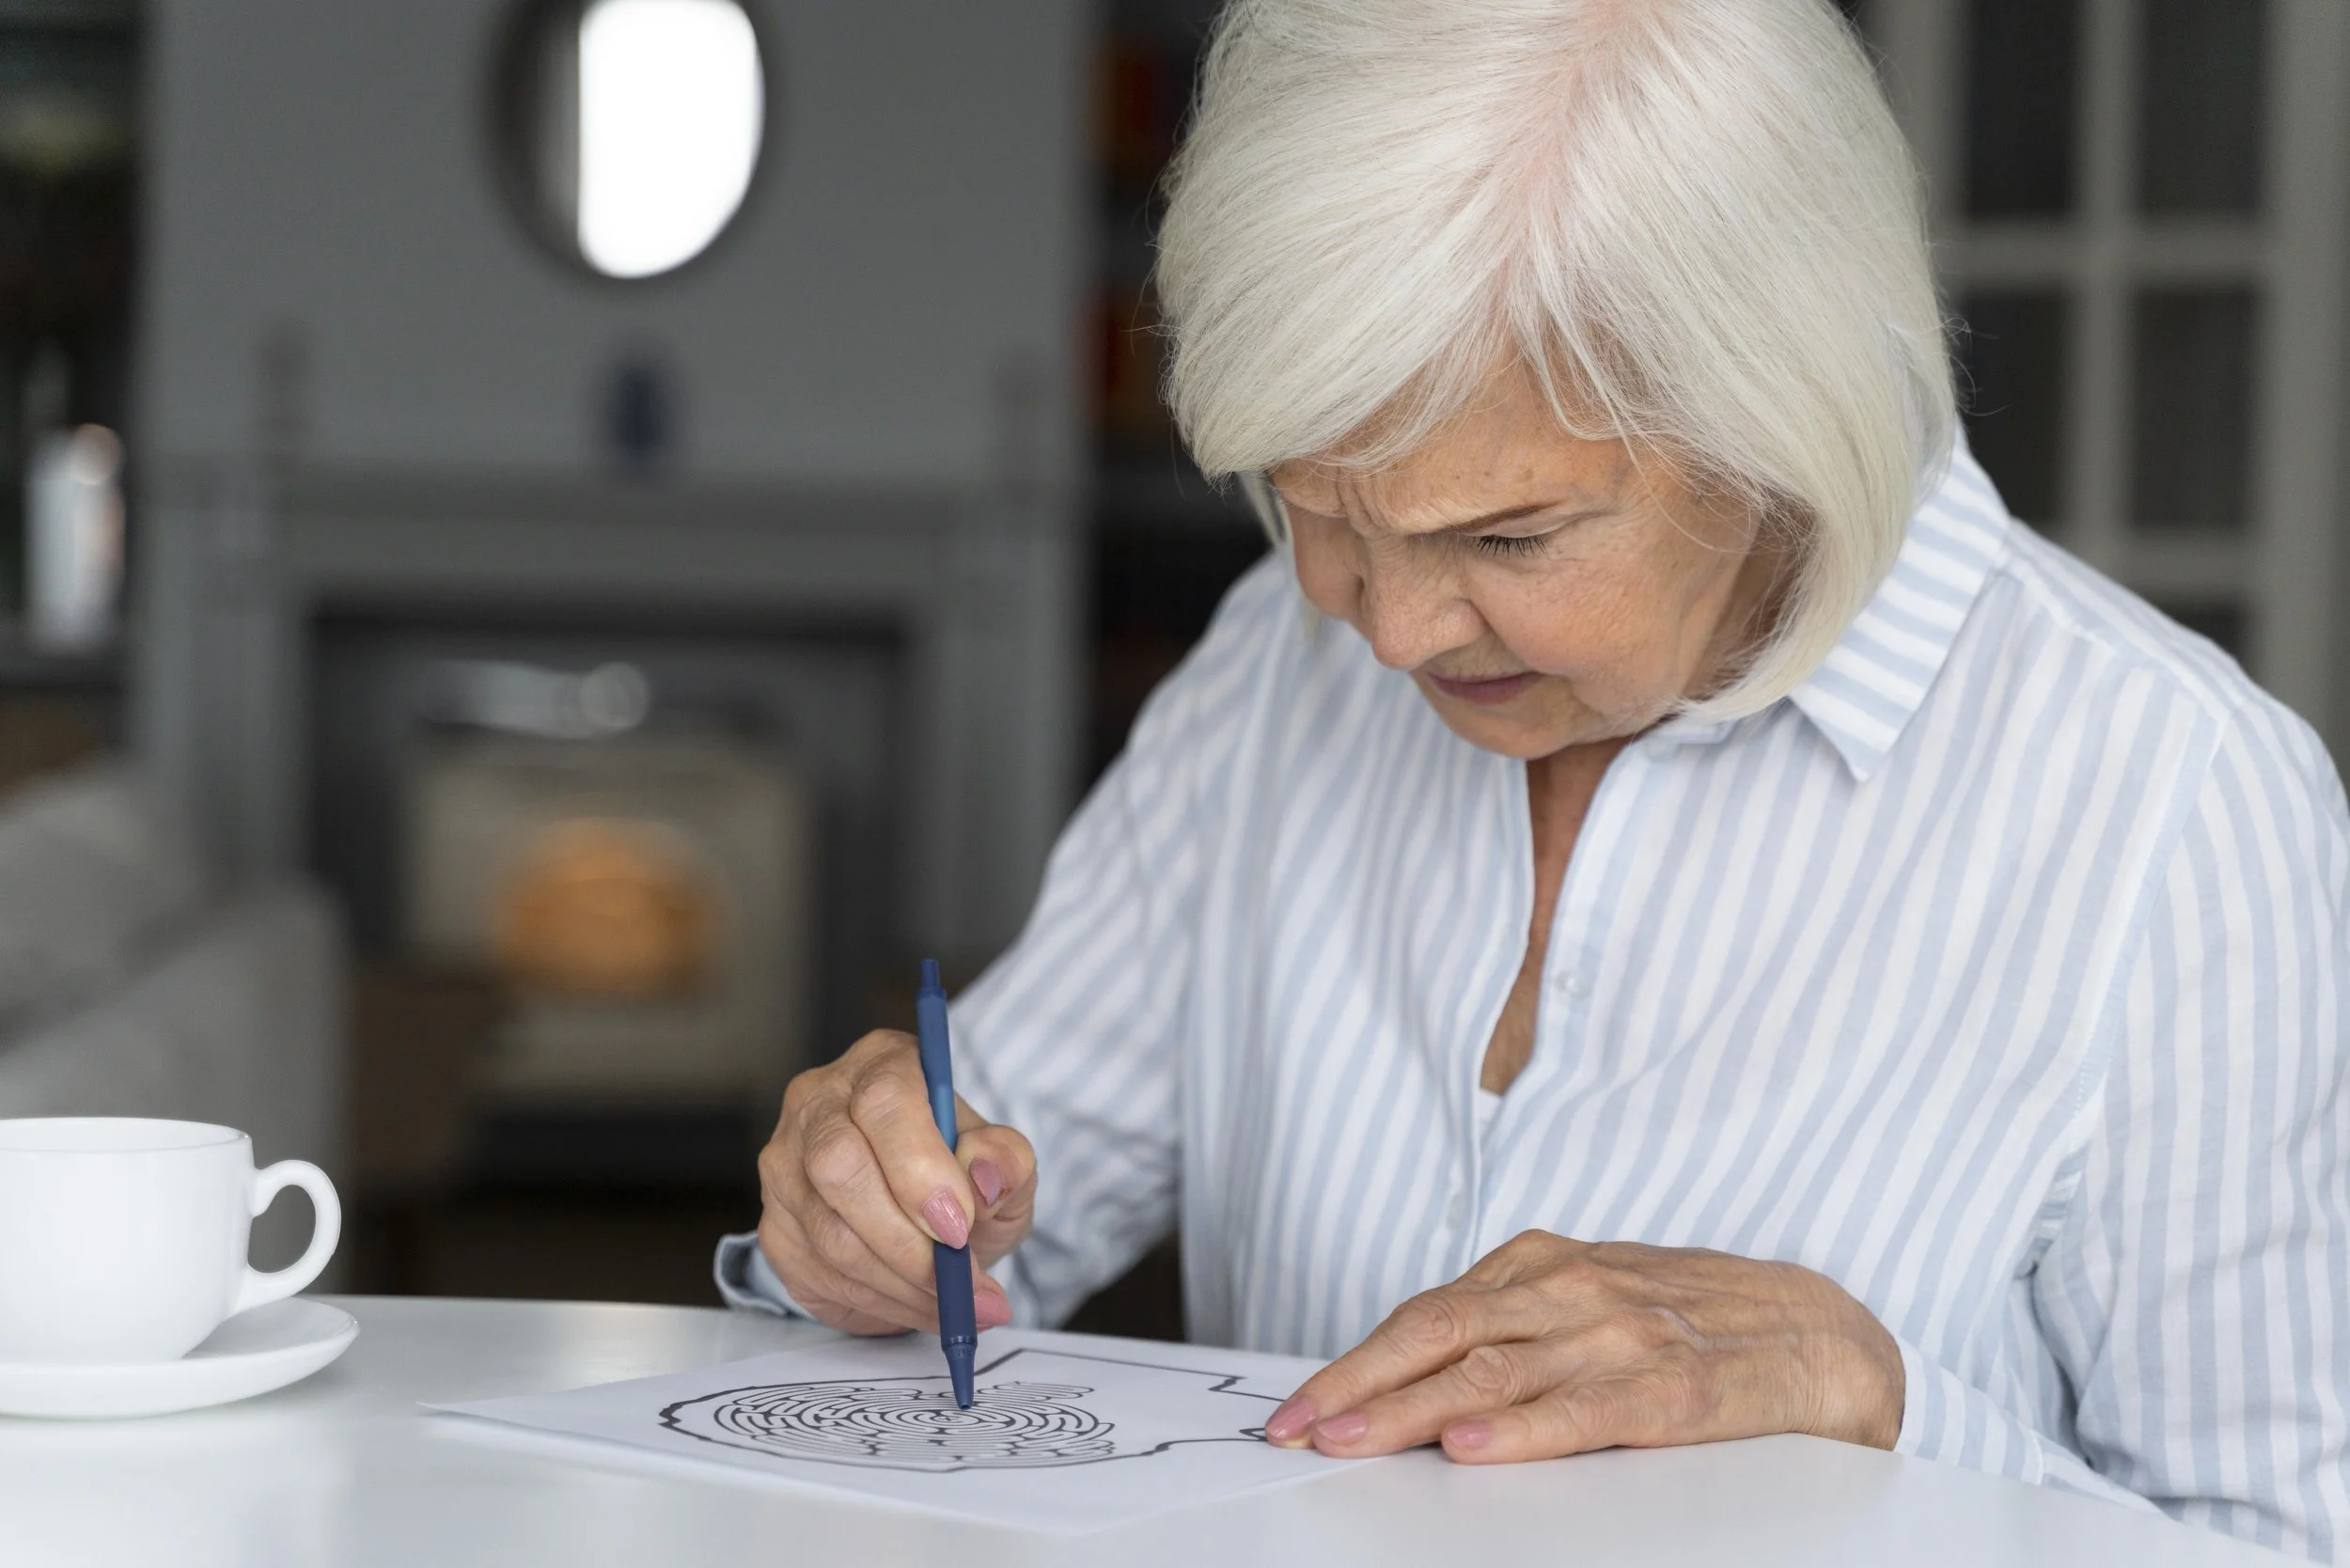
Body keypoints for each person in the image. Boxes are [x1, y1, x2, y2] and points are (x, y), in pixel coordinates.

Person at [717, 0, 2350, 1557]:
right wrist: (871, 1220)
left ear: (1787, 421)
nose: (1391, 633)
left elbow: (2275, 1546)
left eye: (1510, 538)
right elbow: (994, 1209)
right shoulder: (1270, 665)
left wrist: (1880, 1401)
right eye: (1325, 516)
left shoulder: (2177, 808)